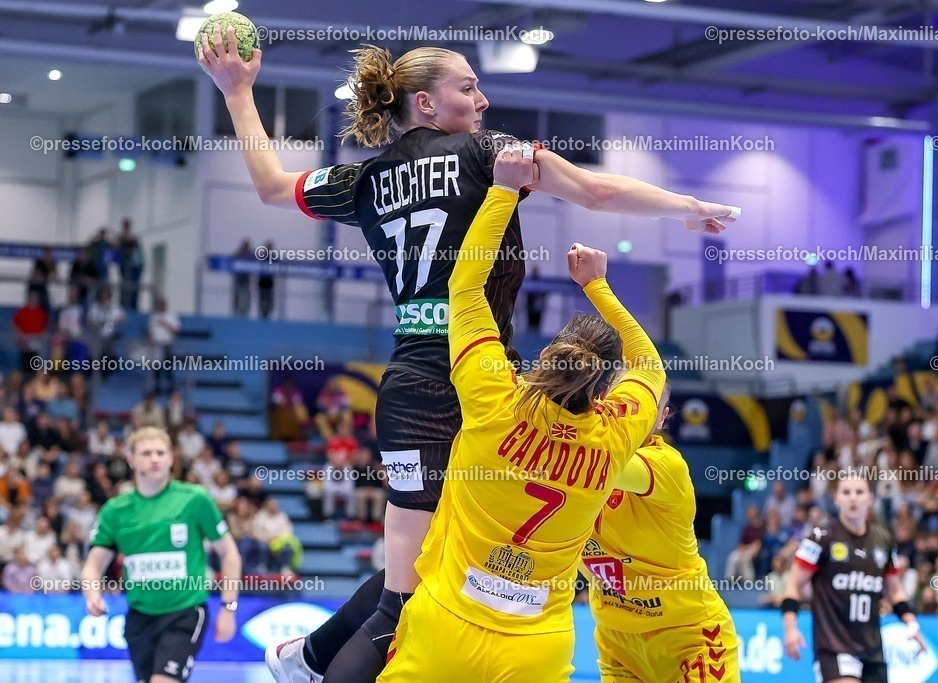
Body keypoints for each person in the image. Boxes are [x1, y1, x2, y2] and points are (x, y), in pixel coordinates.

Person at [198, 32, 735, 683]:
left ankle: (307, 656)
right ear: (425, 102)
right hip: (485, 383)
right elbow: (595, 193)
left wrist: (238, 92)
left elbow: (271, 186)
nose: (483, 99)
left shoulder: (366, 178)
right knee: (414, 589)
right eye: (468, 87)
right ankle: (309, 662)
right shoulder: (490, 152)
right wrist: (687, 208)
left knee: (423, 572)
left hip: (410, 383)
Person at [377, 151, 666, 682]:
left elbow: (463, 287)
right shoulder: (613, 438)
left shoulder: (496, 399)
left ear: (549, 357)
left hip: (447, 622)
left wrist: (503, 191)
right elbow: (649, 366)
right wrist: (599, 288)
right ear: (603, 388)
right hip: (539, 644)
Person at [582, 386, 740, 683]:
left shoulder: (667, 466)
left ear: (661, 417)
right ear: (603, 399)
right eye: (624, 398)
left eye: (646, 405)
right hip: (618, 640)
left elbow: (595, 463)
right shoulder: (573, 470)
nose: (633, 410)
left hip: (690, 638)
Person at [81, 427, 242, 683]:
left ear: (171, 458)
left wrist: (228, 607)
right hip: (139, 618)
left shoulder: (194, 499)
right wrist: (92, 594)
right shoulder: (115, 510)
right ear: (131, 459)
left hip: (185, 611)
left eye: (160, 452)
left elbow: (229, 553)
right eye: (146, 453)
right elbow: (93, 564)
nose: (154, 459)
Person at [782, 472, 926, 683]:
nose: (852, 498)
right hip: (834, 645)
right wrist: (790, 629)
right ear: (836, 499)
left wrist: (912, 625)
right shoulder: (821, 537)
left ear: (870, 498)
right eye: (846, 492)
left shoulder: (883, 539)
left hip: (872, 648)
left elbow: (894, 590)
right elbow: (793, 584)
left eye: (859, 492)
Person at [148, 297, 180, 395]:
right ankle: (156, 389)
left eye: (162, 304)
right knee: (156, 369)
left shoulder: (171, 316)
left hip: (166, 345)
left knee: (167, 368)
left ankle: (171, 389)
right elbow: (150, 330)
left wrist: (165, 324)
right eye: (159, 304)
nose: (160, 306)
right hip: (155, 345)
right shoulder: (154, 317)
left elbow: (176, 331)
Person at [118, 218, 145, 311]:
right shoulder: (121, 237)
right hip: (127, 266)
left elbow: (133, 243)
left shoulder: (133, 237)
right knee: (126, 287)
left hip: (136, 266)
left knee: (134, 288)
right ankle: (126, 306)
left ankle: (133, 307)